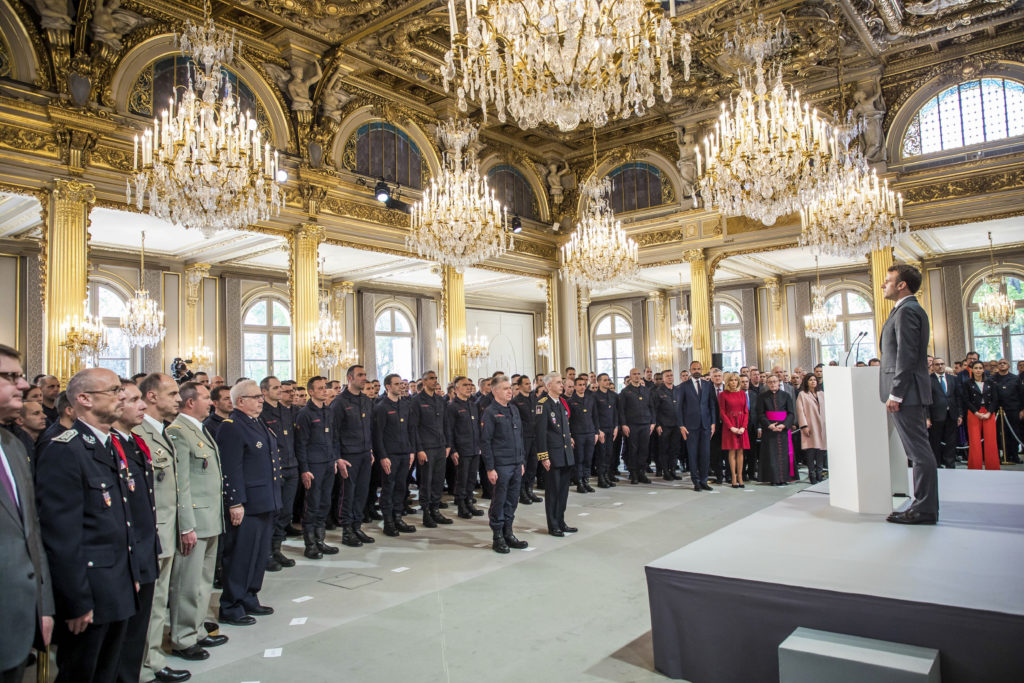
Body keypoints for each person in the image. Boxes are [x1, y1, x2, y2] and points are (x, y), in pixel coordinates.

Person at [36, 368, 139, 683]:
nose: (121, 396)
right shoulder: (65, 450)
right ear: (83, 399)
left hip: (117, 581)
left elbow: (120, 516)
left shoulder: (109, 444)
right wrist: (76, 600)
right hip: (90, 591)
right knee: (82, 673)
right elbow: (61, 536)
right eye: (113, 390)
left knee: (107, 671)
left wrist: (132, 572)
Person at [0, 345, 54, 683]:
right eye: (10, 376)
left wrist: (43, 606)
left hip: (17, 620)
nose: (21, 385)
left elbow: (31, 532)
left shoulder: (12, 445)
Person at [166, 382, 228, 661]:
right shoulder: (178, 432)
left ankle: (197, 627)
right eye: (205, 397)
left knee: (203, 581)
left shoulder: (198, 429)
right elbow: (181, 483)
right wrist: (186, 525)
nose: (211, 402)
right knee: (187, 583)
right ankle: (182, 637)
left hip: (209, 517)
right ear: (190, 402)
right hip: (194, 520)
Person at [135, 373, 190, 683]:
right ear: (152, 397)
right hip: (154, 533)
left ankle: (152, 660)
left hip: (168, 530)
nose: (178, 400)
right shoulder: (140, 433)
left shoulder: (164, 432)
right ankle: (144, 667)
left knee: (159, 603)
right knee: (152, 604)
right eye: (172, 394)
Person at [216, 380, 281, 625]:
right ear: (240, 401)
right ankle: (231, 605)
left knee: (258, 553)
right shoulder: (231, 426)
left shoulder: (257, 423)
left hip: (265, 499)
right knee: (241, 555)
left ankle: (250, 597)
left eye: (260, 397)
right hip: (247, 503)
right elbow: (231, 468)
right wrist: (234, 502)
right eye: (255, 397)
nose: (261, 400)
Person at [879, 263, 937, 525]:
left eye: (888, 280)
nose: (883, 285)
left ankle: (924, 509)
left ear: (902, 285)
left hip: (908, 392)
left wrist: (897, 393)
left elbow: (907, 355)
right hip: (910, 391)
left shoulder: (907, 311)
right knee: (918, 452)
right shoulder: (906, 310)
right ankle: (923, 505)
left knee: (919, 453)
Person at [111, 380, 161, 683]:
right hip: (119, 556)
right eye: (133, 400)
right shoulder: (107, 445)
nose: (142, 406)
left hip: (142, 548)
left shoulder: (132, 442)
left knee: (134, 635)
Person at [294, 377, 342, 559]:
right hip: (313, 466)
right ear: (311, 392)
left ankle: (320, 540)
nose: (324, 391)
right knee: (312, 505)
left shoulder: (329, 412)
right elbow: (301, 444)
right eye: (320, 388)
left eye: (325, 388)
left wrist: (335, 459)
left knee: (325, 503)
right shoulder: (305, 414)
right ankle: (310, 544)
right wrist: (305, 469)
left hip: (328, 463)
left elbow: (334, 439)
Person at [480, 377, 529, 554]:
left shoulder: (514, 409)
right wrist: (490, 468)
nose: (510, 391)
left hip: (515, 463)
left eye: (510, 388)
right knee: (499, 501)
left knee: (512, 501)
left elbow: (520, 438)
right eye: (506, 388)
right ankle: (497, 537)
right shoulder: (491, 412)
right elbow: (485, 442)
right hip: (501, 465)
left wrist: (521, 461)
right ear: (495, 391)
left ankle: (508, 533)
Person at [333, 365, 376, 547]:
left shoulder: (366, 400)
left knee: (362, 493)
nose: (364, 378)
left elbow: (369, 428)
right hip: (348, 455)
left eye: (365, 375)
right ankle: (347, 530)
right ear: (350, 378)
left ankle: (357, 526)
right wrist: (338, 457)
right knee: (348, 494)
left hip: (365, 453)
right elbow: (334, 433)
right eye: (360, 375)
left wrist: (371, 450)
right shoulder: (340, 402)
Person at [259, 376, 298, 571]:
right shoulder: (261, 413)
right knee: (272, 513)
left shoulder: (287, 411)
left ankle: (277, 549)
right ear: (264, 391)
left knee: (285, 512)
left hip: (291, 466)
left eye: (280, 388)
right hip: (275, 469)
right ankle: (265, 553)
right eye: (275, 388)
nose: (279, 391)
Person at [372, 373, 417, 537]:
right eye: (397, 384)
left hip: (405, 452)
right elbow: (378, 434)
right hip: (389, 454)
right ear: (388, 387)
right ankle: (388, 522)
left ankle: (398, 517)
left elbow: (411, 429)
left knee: (401, 487)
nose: (401, 386)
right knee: (388, 488)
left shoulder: (405, 405)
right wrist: (382, 456)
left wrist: (412, 450)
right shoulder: (381, 406)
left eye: (401, 384)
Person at [535, 373, 576, 537]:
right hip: (552, 454)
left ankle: (561, 521)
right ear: (548, 386)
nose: (562, 385)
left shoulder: (561, 403)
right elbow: (540, 433)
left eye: (562, 383)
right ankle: (553, 525)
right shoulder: (542, 404)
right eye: (558, 382)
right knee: (553, 492)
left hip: (565, 452)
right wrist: (544, 456)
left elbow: (563, 427)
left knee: (563, 491)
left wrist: (569, 438)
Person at [410, 370, 450, 529]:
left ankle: (435, 510)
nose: (435, 381)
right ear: (424, 382)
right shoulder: (417, 401)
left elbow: (446, 424)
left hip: (440, 446)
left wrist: (448, 444)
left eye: (435, 378)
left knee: (438, 480)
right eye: (431, 379)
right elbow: (414, 428)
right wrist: (419, 449)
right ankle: (426, 512)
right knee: (426, 481)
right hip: (426, 447)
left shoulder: (440, 400)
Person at [675, 361, 718, 492]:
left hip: (705, 425)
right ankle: (696, 481)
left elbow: (712, 405)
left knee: (705, 454)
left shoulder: (707, 385)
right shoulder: (683, 386)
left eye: (699, 369)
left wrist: (713, 423)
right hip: (690, 426)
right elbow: (679, 408)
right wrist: (681, 425)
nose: (697, 371)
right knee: (693, 454)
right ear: (690, 370)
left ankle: (704, 480)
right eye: (694, 369)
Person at [447, 375, 485, 519]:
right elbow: (449, 430)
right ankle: (461, 505)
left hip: (474, 447)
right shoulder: (452, 406)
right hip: (461, 449)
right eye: (465, 385)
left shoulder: (473, 404)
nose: (469, 387)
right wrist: (453, 450)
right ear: (456, 389)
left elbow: (478, 426)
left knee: (471, 478)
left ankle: (469, 502)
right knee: (461, 479)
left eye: (470, 384)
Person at [756, 375, 796, 486]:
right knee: (771, 455)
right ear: (767, 384)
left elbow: (791, 413)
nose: (773, 384)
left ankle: (784, 478)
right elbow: (760, 414)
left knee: (784, 454)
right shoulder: (762, 396)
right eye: (770, 382)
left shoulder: (786, 395)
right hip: (769, 430)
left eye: (775, 381)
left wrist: (784, 425)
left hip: (783, 429)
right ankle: (773, 479)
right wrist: (769, 425)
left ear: (779, 382)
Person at [618, 368, 653, 485]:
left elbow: (652, 407)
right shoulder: (625, 392)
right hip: (632, 425)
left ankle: (641, 472)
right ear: (630, 376)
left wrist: (653, 422)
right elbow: (621, 410)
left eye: (638, 374)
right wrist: (623, 424)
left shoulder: (646, 390)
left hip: (645, 424)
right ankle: (633, 473)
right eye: (634, 374)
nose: (637, 376)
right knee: (633, 450)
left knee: (644, 449)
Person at [511, 375, 542, 503]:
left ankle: (529, 489)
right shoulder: (516, 401)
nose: (529, 385)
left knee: (533, 465)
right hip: (523, 438)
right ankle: (522, 492)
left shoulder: (535, 399)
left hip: (535, 436)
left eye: (530, 383)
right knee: (523, 465)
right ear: (519, 386)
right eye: (526, 383)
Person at [964, 360, 1000, 470]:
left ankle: (993, 467)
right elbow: (966, 400)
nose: (978, 370)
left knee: (991, 441)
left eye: (980, 368)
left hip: (989, 412)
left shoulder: (991, 383)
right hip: (974, 412)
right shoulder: (967, 384)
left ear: (983, 369)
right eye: (976, 368)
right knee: (974, 441)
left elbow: (995, 400)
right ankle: (975, 467)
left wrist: (989, 413)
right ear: (972, 370)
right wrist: (976, 412)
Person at [927, 358, 962, 469]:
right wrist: (927, 417)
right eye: (937, 364)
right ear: (932, 366)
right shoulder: (928, 380)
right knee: (935, 441)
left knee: (951, 441)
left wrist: (960, 414)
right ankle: (936, 464)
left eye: (942, 364)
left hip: (951, 414)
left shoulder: (952, 379)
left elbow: (958, 397)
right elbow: (926, 400)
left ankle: (950, 463)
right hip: (935, 415)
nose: (940, 366)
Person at [567, 376, 599, 492]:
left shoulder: (590, 399)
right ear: (575, 386)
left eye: (583, 385)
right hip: (578, 434)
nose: (582, 387)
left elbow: (595, 416)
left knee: (588, 458)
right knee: (579, 459)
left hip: (590, 432)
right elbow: (568, 420)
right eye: (579, 385)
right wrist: (570, 435)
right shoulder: (570, 401)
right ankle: (579, 482)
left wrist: (596, 432)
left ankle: (586, 481)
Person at [718, 373, 749, 488]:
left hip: (741, 424)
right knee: (732, 451)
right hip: (730, 426)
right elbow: (722, 412)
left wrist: (743, 427)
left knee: (740, 451)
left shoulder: (742, 394)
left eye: (736, 380)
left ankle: (740, 476)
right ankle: (733, 477)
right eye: (731, 380)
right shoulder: (723, 394)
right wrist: (731, 427)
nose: (734, 382)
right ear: (728, 382)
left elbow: (746, 411)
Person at [990, 358, 1023, 464]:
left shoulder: (1015, 378)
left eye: (1004, 363)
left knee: (1014, 433)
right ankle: (1004, 455)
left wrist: (1022, 410)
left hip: (1013, 409)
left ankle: (1014, 455)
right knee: (1000, 433)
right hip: (998, 410)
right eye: (1000, 363)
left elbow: (1021, 395)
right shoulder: (992, 379)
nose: (1002, 365)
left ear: (1008, 366)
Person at [796, 374, 827, 485]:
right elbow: (800, 411)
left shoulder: (822, 394)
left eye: (814, 380)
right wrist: (804, 426)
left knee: (821, 451)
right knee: (811, 451)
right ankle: (812, 474)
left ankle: (819, 473)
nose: (813, 382)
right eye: (810, 380)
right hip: (810, 425)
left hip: (822, 426)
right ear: (806, 382)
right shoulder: (802, 395)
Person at [652, 369, 682, 481]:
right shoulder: (658, 392)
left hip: (676, 425)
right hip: (664, 425)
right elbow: (655, 410)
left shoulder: (677, 390)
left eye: (671, 375)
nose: (670, 377)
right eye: (667, 376)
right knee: (664, 449)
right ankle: (665, 471)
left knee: (674, 449)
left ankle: (673, 470)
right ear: (663, 378)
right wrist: (657, 425)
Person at [593, 373, 619, 488]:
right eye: (604, 380)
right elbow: (594, 415)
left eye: (608, 380)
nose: (607, 382)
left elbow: (615, 413)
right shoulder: (594, 396)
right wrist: (598, 430)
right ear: (598, 382)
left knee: (609, 454)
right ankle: (601, 478)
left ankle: (607, 476)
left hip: (611, 428)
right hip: (601, 429)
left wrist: (616, 427)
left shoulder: (613, 395)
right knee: (601, 454)